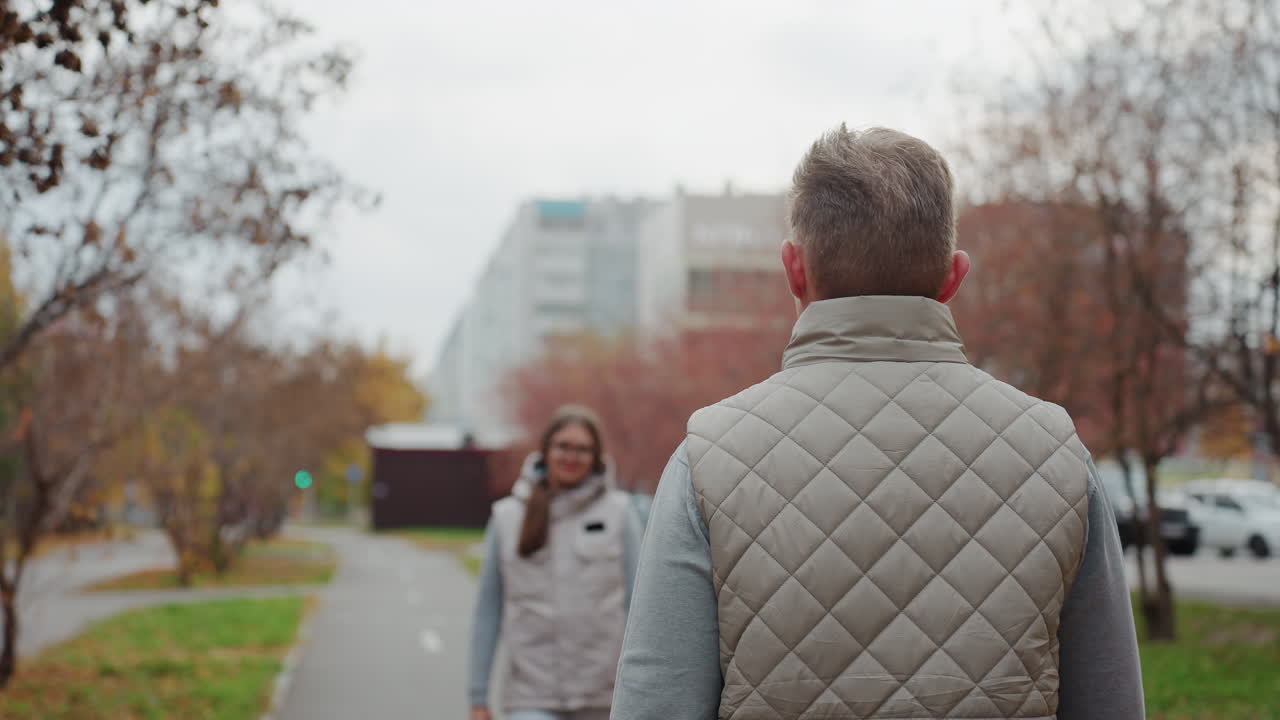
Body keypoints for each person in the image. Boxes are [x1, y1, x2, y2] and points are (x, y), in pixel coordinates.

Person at [612, 126, 1144, 720]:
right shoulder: (1058, 455)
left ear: (794, 269)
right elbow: (1111, 697)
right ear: (954, 276)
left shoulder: (707, 459)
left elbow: (657, 700)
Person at [468, 405, 642, 720]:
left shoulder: (620, 514)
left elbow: (641, 607)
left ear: (596, 458)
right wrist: (478, 697)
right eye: (563, 446)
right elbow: (488, 610)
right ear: (546, 450)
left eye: (583, 449)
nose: (571, 457)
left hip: (608, 695)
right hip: (531, 696)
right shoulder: (507, 518)